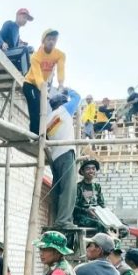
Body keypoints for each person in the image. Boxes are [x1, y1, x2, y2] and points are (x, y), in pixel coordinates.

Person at [46, 89, 81, 229]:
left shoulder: (48, 119)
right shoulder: (64, 110)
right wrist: (68, 90)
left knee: (58, 189)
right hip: (66, 153)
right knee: (68, 189)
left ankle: (57, 219)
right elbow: (77, 97)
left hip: (55, 157)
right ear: (62, 103)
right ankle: (64, 221)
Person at [23, 29, 66, 134]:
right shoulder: (36, 56)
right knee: (35, 108)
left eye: (54, 40)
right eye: (49, 39)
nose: (51, 42)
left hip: (41, 87)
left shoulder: (59, 54)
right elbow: (38, 76)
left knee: (43, 111)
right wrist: (44, 89)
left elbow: (60, 69)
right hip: (30, 84)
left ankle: (41, 133)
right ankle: (35, 134)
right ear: (43, 41)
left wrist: (61, 84)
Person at [0, 8, 34, 74]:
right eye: (24, 17)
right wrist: (2, 43)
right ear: (17, 16)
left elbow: (16, 48)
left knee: (30, 50)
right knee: (24, 49)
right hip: (4, 53)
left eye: (27, 19)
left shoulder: (17, 34)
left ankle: (30, 76)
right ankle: (26, 77)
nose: (25, 20)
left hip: (12, 57)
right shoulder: (9, 24)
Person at [74, 159, 106, 232]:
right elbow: (73, 206)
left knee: (120, 226)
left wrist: (107, 212)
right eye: (88, 169)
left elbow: (102, 204)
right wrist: (86, 210)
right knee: (101, 225)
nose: (91, 171)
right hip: (81, 217)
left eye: (93, 169)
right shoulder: (78, 187)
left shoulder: (97, 186)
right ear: (82, 172)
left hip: (96, 216)